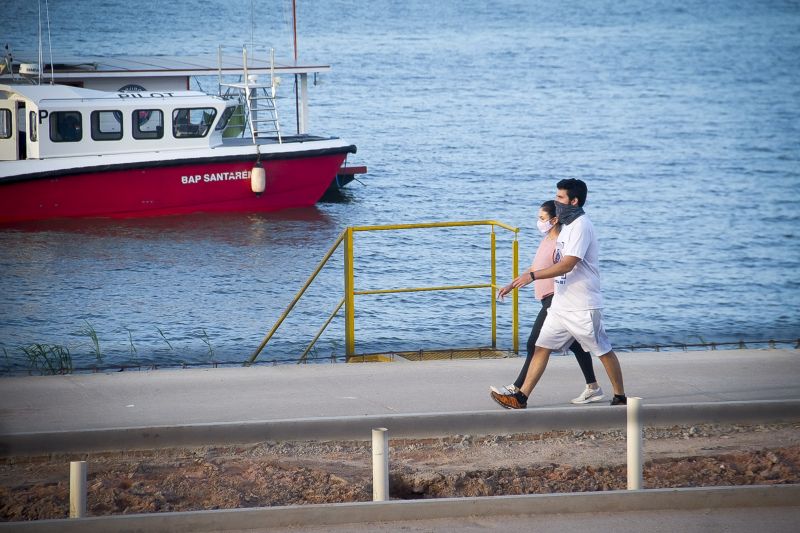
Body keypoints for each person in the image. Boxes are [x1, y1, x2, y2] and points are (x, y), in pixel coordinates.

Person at [491, 178, 627, 409]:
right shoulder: (567, 227)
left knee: (602, 350)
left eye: (560, 197)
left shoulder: (581, 226)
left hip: (582, 303)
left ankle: (620, 396)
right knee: (541, 347)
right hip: (561, 304)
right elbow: (551, 262)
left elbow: (567, 264)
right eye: (556, 196)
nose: (557, 200)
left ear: (574, 201)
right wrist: (519, 280)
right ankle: (520, 398)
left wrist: (532, 277)